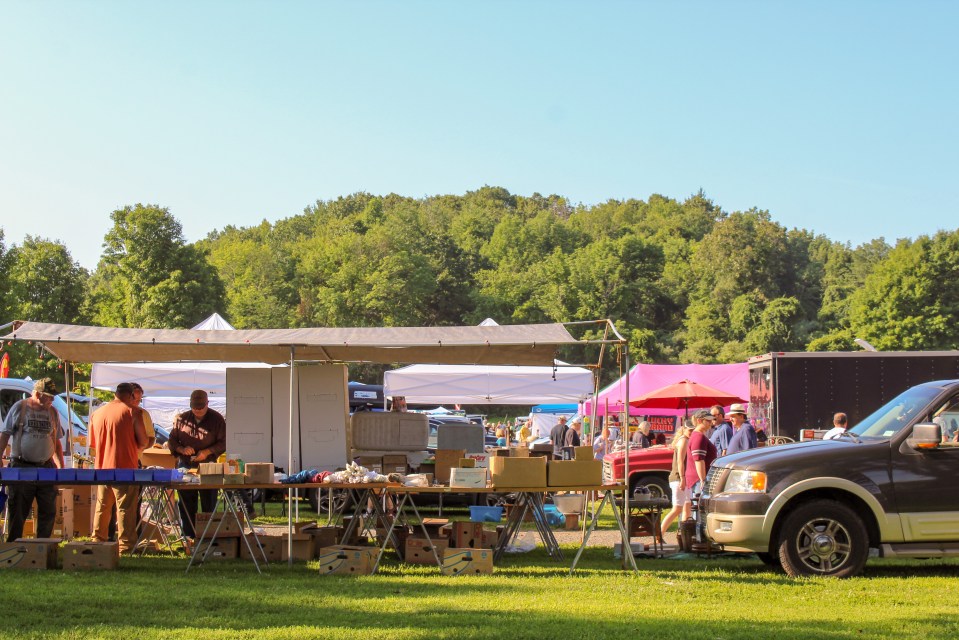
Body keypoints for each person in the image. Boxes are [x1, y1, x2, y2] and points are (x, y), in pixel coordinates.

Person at [0, 378, 65, 542]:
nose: (52, 400)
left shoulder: (53, 412)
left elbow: (56, 442)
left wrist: (60, 468)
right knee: (18, 510)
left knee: (48, 510)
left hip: (46, 468)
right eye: (49, 396)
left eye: (53, 397)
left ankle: (42, 547)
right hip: (22, 467)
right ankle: (14, 545)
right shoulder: (20, 408)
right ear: (37, 394)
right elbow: (5, 435)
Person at [90, 382, 148, 553]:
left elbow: (93, 444)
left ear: (115, 393)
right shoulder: (133, 412)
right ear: (131, 395)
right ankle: (126, 545)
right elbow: (143, 441)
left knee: (102, 506)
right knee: (125, 508)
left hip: (102, 467)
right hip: (125, 467)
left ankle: (97, 540)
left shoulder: (97, 413)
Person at [168, 389, 227, 540]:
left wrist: (207, 452)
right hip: (186, 465)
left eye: (201, 407)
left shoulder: (217, 419)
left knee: (209, 501)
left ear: (208, 403)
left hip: (208, 465)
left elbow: (224, 442)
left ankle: (208, 536)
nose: (198, 410)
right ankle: (189, 536)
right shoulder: (181, 419)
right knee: (186, 501)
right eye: (195, 407)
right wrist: (182, 449)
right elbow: (172, 441)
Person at [660, 421, 693, 542]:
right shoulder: (683, 440)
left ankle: (684, 537)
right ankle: (659, 535)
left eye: (693, 430)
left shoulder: (685, 439)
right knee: (677, 508)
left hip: (683, 479)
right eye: (690, 430)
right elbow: (680, 461)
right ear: (684, 429)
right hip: (679, 478)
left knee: (687, 507)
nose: (691, 432)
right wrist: (683, 478)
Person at [684, 409, 718, 497]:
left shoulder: (698, 435)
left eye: (711, 420)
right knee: (700, 504)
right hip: (698, 480)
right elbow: (699, 460)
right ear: (699, 421)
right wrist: (703, 480)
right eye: (708, 420)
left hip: (698, 479)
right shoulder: (699, 437)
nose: (711, 422)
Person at [130, 382, 156, 449]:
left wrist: (139, 448)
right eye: (133, 399)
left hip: (136, 454)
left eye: (138, 400)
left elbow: (151, 437)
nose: (135, 403)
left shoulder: (144, 413)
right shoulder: (117, 412)